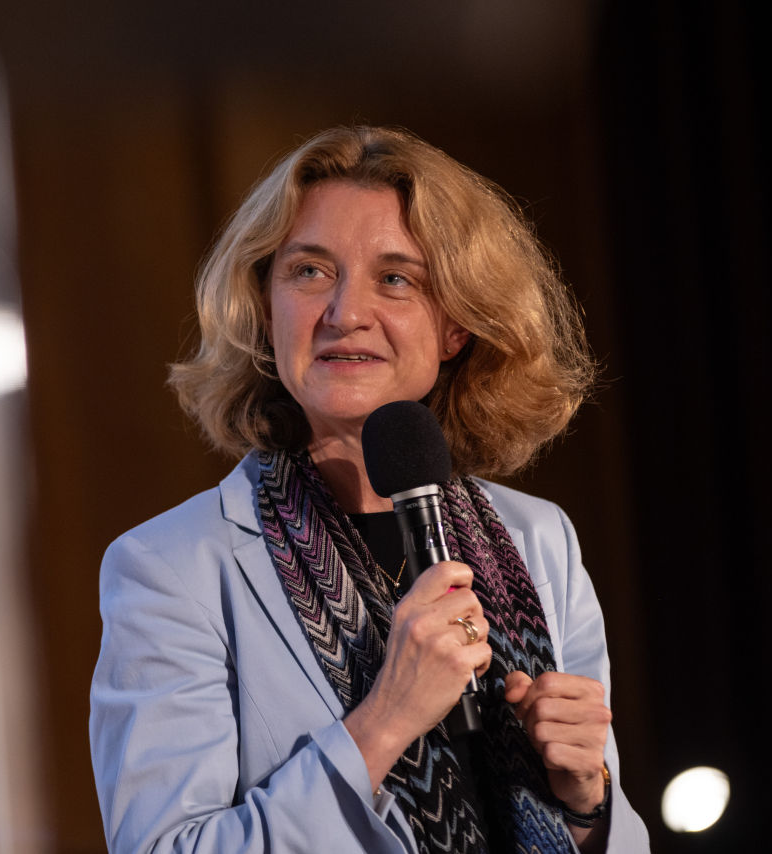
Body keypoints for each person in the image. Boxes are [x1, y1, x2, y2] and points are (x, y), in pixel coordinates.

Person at [89, 126, 649, 853]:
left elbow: (606, 830)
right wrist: (385, 720)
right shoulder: (170, 568)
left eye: (396, 279)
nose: (345, 312)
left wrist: (586, 805)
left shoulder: (540, 539)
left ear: (456, 327)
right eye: (310, 271)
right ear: (265, 308)